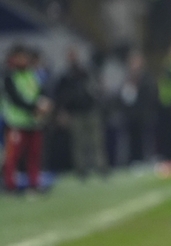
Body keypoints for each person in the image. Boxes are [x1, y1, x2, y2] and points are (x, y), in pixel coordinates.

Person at [1, 45, 53, 193]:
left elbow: (42, 92)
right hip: (16, 123)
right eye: (20, 57)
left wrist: (45, 104)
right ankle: (10, 186)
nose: (23, 60)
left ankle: (34, 185)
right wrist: (36, 107)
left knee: (34, 155)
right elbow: (16, 99)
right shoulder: (9, 77)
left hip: (34, 123)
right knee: (13, 157)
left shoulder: (33, 75)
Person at [54, 47, 109, 179]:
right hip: (76, 113)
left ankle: (101, 167)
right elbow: (60, 96)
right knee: (79, 143)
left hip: (91, 110)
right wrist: (62, 112)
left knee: (96, 141)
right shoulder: (65, 76)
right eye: (70, 55)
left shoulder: (85, 71)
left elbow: (96, 86)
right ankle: (81, 170)